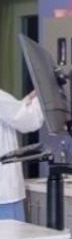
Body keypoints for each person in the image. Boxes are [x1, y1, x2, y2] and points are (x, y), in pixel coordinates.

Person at [0, 89, 44, 222]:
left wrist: (27, 101)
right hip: (5, 197)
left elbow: (11, 113)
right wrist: (43, 97)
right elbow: (31, 121)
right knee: (13, 234)